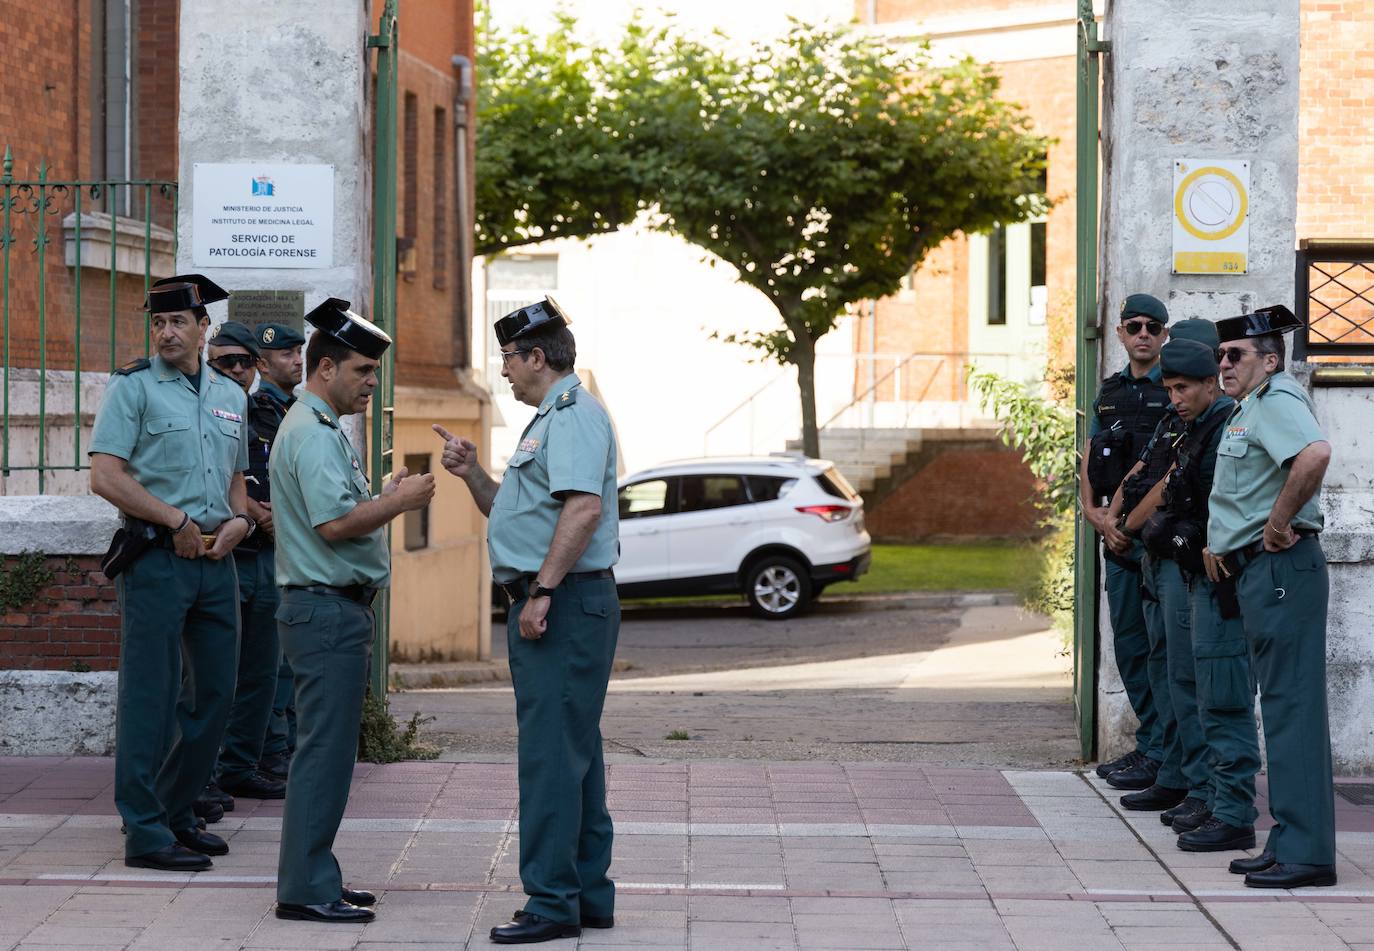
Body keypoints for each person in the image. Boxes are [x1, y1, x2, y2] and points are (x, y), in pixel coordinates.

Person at [435, 297, 620, 945]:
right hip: (564, 600)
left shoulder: (570, 416)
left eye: (510, 359)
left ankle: (550, 900)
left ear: (538, 357)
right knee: (575, 753)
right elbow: (520, 514)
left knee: (549, 756)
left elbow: (582, 512)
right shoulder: (551, 418)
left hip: (562, 604)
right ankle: (587, 894)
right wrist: (471, 476)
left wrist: (540, 591)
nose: (505, 371)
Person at [270, 298, 435, 923]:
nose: (372, 383)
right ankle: (307, 888)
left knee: (328, 752)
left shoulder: (318, 426)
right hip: (324, 611)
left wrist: (383, 497)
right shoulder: (311, 432)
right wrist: (403, 501)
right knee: (323, 754)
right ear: (326, 368)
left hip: (328, 610)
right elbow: (336, 523)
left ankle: (315, 877)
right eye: (364, 371)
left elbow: (339, 511)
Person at [88, 274, 255, 871]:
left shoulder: (231, 395)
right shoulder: (132, 388)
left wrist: (240, 521)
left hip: (217, 560)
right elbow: (105, 476)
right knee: (150, 696)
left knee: (213, 694)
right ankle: (144, 829)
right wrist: (174, 519)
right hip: (158, 557)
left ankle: (180, 811)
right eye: (158, 323)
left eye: (178, 322)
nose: (166, 333)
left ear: (204, 328)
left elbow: (236, 479)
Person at [1201, 304, 1336, 889]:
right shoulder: (1248, 407)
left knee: (1292, 709)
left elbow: (1314, 455)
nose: (1224, 364)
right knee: (1280, 708)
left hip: (1281, 567)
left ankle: (1307, 853)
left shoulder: (1277, 399)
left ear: (1270, 359)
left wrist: (1278, 524)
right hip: (1261, 574)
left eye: (1236, 355)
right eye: (1220, 355)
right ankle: (1288, 839)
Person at [1104, 321, 1219, 817]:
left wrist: (1124, 525)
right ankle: (1174, 773)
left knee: (1188, 676)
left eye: (1181, 385)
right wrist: (1110, 516)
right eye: (1169, 386)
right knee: (1161, 667)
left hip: (1180, 559)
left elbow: (1170, 484)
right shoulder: (1177, 418)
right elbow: (1142, 468)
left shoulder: (1217, 419)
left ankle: (1200, 787)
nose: (1174, 393)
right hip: (1152, 556)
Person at [1081, 294, 1171, 789]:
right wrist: (1091, 512)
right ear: (1119, 333)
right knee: (1132, 648)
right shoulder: (1109, 392)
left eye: (1152, 327)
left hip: (1150, 539)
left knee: (1162, 649)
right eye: (1133, 325)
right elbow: (1092, 453)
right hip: (1114, 539)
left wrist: (1121, 523)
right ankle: (1151, 744)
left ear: (1164, 336)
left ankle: (1163, 752)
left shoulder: (1175, 388)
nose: (1142, 334)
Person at [198, 322, 287, 807]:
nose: (234, 369)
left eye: (243, 362)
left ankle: (239, 767)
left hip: (268, 558)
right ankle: (203, 775)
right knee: (214, 672)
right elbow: (217, 479)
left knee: (260, 672)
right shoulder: (203, 411)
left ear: (257, 367)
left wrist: (277, 518)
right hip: (225, 555)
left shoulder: (271, 413)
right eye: (224, 361)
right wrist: (255, 514)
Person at [252, 321, 306, 782]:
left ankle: (284, 746)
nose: (297, 360)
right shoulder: (256, 412)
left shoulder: (300, 411)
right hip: (264, 546)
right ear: (263, 364)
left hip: (292, 547)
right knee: (270, 662)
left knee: (286, 662)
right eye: (287, 355)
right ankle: (271, 753)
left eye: (299, 352)